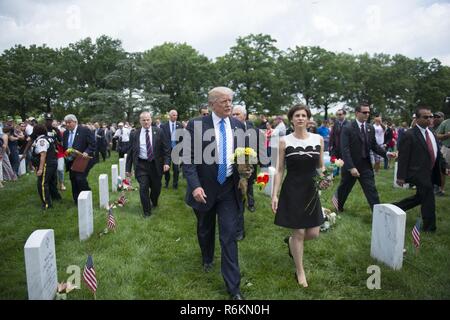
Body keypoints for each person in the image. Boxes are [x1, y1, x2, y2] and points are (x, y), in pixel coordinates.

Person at [183, 87, 246, 300]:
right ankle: (207, 257)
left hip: (229, 188)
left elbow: (244, 156)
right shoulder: (196, 125)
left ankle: (234, 288)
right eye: (223, 101)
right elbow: (188, 159)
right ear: (211, 105)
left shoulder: (238, 125)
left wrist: (246, 170)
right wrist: (195, 186)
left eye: (230, 101)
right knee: (205, 229)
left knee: (229, 235)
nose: (229, 105)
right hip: (204, 188)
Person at [271, 104, 330, 288]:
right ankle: (300, 271)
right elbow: (280, 170)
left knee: (313, 232)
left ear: (308, 118)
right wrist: (274, 194)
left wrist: (326, 177)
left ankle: (291, 243)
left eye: (304, 115)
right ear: (291, 119)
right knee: (299, 231)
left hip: (311, 190)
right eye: (297, 115)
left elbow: (321, 166)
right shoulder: (284, 141)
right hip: (292, 189)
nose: (301, 118)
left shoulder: (318, 139)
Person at [333, 103, 396, 213]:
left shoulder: (370, 128)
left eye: (368, 112)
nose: (367, 114)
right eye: (364, 112)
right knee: (344, 188)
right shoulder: (347, 128)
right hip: (350, 165)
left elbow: (374, 145)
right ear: (357, 113)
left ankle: (378, 214)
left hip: (365, 165)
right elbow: (345, 149)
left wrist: (386, 154)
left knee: (371, 189)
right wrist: (351, 167)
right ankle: (337, 206)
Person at [393, 107, 442, 232]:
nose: (430, 119)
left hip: (430, 171)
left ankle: (394, 208)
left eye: (431, 116)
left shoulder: (431, 133)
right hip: (417, 172)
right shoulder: (409, 134)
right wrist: (400, 176)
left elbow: (437, 152)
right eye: (426, 117)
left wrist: (445, 166)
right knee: (429, 197)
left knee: (421, 197)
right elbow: (403, 157)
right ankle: (430, 228)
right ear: (417, 119)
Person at [125, 112, 170, 217]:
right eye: (143, 120)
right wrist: (128, 169)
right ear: (140, 121)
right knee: (143, 187)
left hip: (156, 165)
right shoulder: (134, 134)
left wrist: (167, 162)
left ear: (151, 120)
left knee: (156, 187)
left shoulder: (159, 132)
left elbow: (166, 149)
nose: (146, 122)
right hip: (141, 165)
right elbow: (130, 152)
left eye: (148, 120)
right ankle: (147, 212)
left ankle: (154, 201)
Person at [232, 104, 257, 241]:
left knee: (242, 198)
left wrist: (246, 171)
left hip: (247, 169)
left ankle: (239, 230)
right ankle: (235, 227)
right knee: (235, 200)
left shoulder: (251, 131)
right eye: (233, 114)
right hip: (231, 171)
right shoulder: (229, 129)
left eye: (237, 114)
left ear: (244, 116)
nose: (234, 117)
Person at [62, 114, 96, 204]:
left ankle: (87, 196)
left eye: (69, 122)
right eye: (66, 123)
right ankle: (77, 200)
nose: (67, 125)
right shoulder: (65, 133)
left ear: (75, 122)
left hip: (82, 160)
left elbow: (92, 143)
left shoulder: (84, 130)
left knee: (80, 178)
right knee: (73, 179)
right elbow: (64, 146)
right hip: (70, 160)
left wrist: (87, 151)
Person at [31, 124, 61, 210]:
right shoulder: (48, 138)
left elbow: (43, 155)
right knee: (51, 182)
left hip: (46, 164)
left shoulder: (42, 141)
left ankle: (47, 204)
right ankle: (56, 198)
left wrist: (40, 169)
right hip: (53, 162)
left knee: (42, 184)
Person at [161, 109, 183, 189]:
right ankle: (166, 182)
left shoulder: (179, 125)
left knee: (176, 169)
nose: (175, 117)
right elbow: (161, 139)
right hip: (167, 151)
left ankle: (175, 184)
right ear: (170, 116)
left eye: (176, 115)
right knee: (166, 168)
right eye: (174, 115)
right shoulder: (163, 126)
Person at [436, 112, 450, 196]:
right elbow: (437, 135)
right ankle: (441, 189)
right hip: (447, 148)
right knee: (443, 169)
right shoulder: (446, 122)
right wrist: (446, 135)